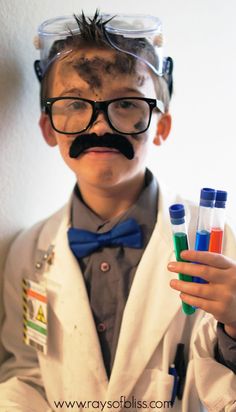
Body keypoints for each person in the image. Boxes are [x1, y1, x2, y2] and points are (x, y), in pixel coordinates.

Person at [0, 10, 236, 412]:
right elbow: (25, 369)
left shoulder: (216, 242)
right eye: (74, 104)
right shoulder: (28, 252)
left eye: (126, 104)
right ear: (47, 127)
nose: (98, 128)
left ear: (161, 126)